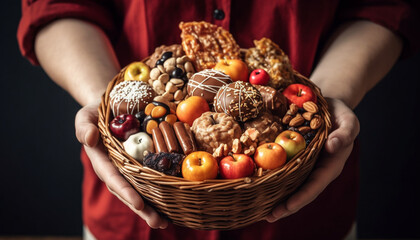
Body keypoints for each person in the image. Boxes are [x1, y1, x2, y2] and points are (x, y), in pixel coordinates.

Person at [17, 0, 419, 239]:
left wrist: (332, 96)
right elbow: (57, 6)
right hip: (136, 205)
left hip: (303, 209)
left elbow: (383, 6)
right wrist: (105, 98)